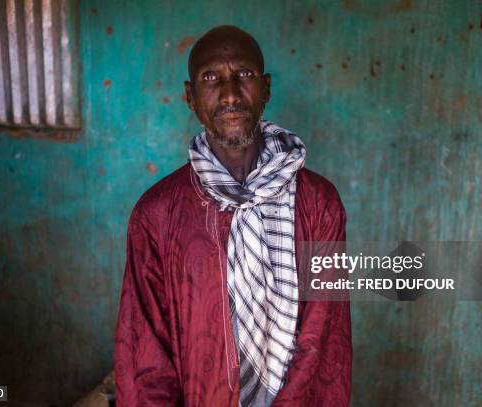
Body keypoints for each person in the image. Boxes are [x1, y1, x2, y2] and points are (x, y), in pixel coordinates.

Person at [114, 25, 351, 406]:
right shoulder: (157, 214)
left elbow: (324, 335)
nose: (229, 94)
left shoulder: (319, 204)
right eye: (211, 77)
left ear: (266, 89)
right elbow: (146, 352)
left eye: (244, 75)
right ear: (190, 97)